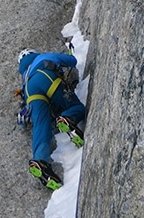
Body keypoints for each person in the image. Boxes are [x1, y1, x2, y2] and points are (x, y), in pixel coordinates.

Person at [16, 48, 86, 190]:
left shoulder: (25, 77)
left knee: (41, 125)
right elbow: (72, 61)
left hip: (30, 92)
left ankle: (40, 160)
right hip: (45, 75)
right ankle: (68, 118)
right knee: (77, 107)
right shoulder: (42, 57)